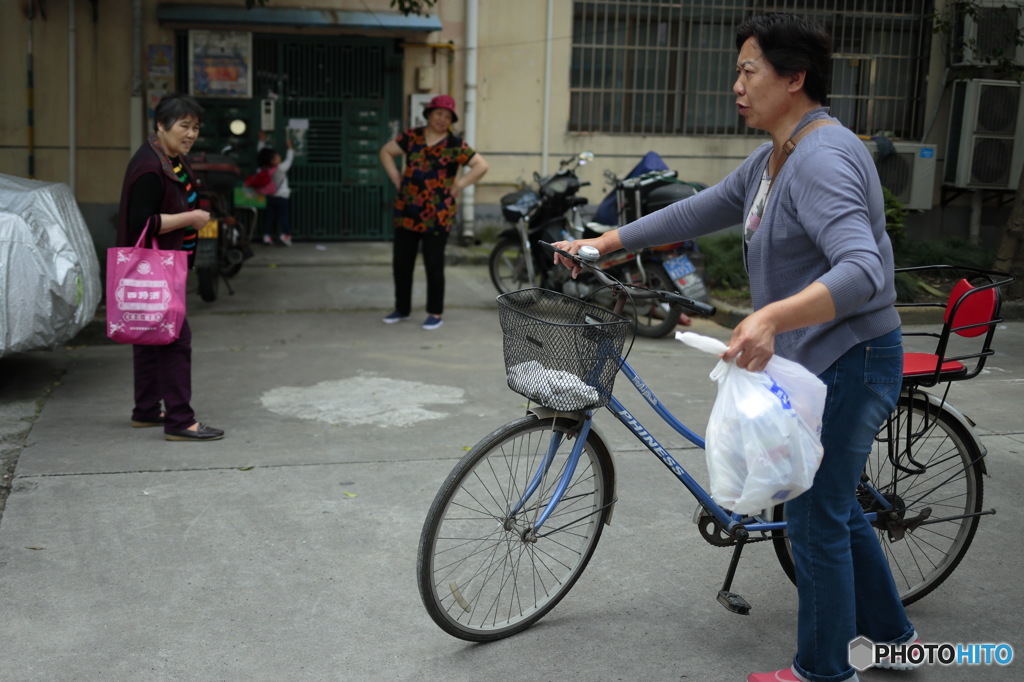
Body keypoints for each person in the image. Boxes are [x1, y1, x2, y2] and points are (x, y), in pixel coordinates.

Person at [555, 13, 915, 682]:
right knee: (834, 505)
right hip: (817, 360)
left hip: (852, 359)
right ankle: (892, 639)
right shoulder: (779, 152)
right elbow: (704, 207)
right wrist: (607, 243)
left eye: (750, 70)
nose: (736, 84)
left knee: (812, 516)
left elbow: (864, 270)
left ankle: (823, 670)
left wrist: (771, 316)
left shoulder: (823, 156)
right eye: (738, 71)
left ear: (795, 78)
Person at [116, 93, 225, 442]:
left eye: (195, 127)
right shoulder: (150, 166)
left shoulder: (169, 157)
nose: (191, 134)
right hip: (155, 268)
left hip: (166, 265)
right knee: (175, 338)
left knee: (150, 337)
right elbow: (140, 223)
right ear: (161, 125)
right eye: (183, 126)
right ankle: (180, 420)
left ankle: (146, 410)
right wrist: (190, 218)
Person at [378, 94, 489, 330]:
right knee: (401, 262)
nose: (442, 119)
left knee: (434, 263)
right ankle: (402, 308)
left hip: (438, 213)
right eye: (439, 114)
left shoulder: (454, 144)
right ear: (429, 114)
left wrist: (459, 185)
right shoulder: (412, 137)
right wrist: (396, 178)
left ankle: (435, 312)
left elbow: (481, 165)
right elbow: (386, 152)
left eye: (447, 116)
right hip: (407, 210)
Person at [257, 132, 295, 247]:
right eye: (277, 157)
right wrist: (290, 148)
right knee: (283, 216)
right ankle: (285, 235)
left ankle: (266, 236)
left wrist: (261, 142)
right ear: (273, 161)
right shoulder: (281, 169)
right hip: (282, 197)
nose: (279, 157)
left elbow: (261, 154)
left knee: (269, 216)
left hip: (270, 197)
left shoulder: (263, 170)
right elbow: (289, 160)